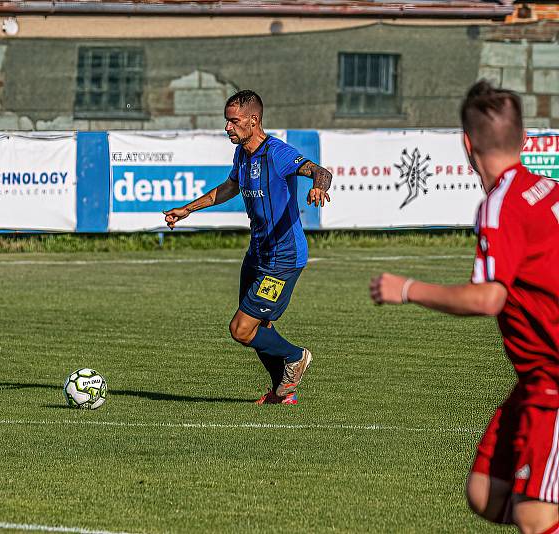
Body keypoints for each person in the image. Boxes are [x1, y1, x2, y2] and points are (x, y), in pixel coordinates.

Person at [370, 80, 559, 534]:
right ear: (524, 138)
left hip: (554, 378)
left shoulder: (501, 204)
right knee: (486, 492)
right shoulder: (546, 188)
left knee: (535, 518)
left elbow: (489, 297)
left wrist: (408, 288)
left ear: (466, 143)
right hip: (536, 376)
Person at [164, 90, 332, 405]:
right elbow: (229, 187)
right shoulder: (242, 154)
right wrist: (188, 209)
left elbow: (321, 172)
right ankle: (283, 392)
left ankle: (297, 356)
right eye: (227, 121)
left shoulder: (278, 153)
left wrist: (318, 188)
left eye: (233, 121)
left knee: (241, 329)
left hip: (283, 260)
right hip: (256, 255)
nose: (228, 127)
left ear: (253, 121)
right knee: (261, 327)